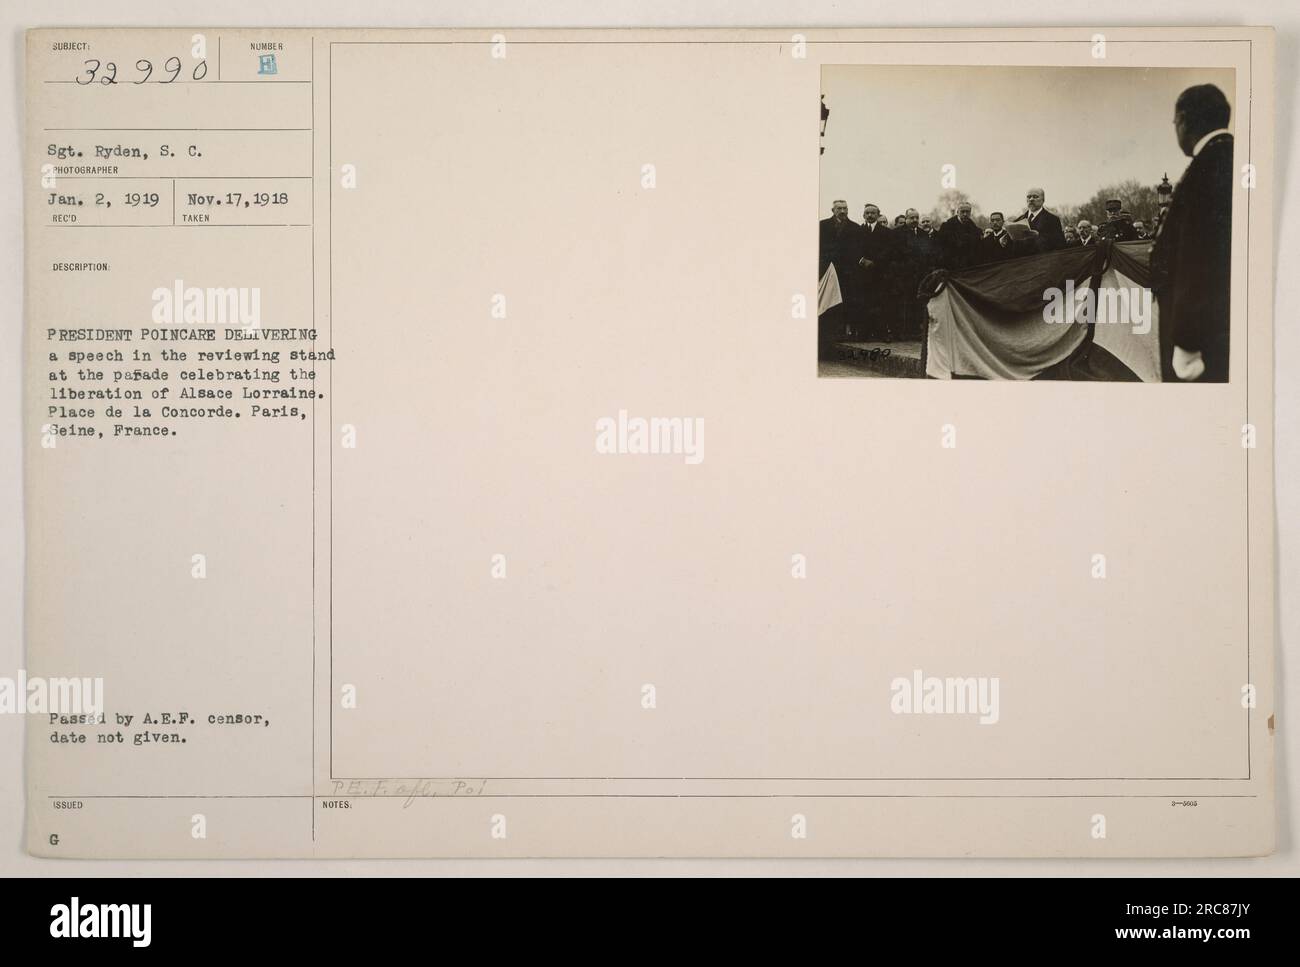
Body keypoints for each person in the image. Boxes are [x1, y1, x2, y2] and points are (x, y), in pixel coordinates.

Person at [1151, 83, 1233, 382]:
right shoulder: (1227, 159)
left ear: (1184, 120)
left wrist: (1187, 341)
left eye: (1175, 123)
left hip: (1199, 341)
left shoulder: (1206, 168)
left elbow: (1198, 258)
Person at [818, 199, 863, 350]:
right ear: (833, 210)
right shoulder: (822, 226)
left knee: (844, 301)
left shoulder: (855, 228)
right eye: (839, 209)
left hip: (847, 272)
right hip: (827, 270)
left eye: (845, 208)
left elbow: (857, 251)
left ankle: (841, 332)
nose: (843, 211)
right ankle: (826, 335)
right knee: (827, 302)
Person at [858, 203, 897, 341]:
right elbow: (853, 248)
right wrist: (861, 259)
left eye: (873, 213)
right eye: (867, 213)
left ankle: (882, 333)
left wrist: (874, 261)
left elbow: (889, 250)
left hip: (880, 273)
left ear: (878, 215)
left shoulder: (887, 232)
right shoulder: (858, 231)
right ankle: (865, 333)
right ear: (863, 215)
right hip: (863, 273)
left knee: (881, 303)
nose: (870, 215)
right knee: (865, 302)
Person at [1009, 187, 1065, 252]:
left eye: (1035, 197)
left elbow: (1060, 244)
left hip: (1042, 259)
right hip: (1022, 260)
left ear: (1043, 200)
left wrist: (1038, 236)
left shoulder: (1053, 220)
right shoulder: (1017, 221)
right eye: (1028, 197)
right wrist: (1007, 239)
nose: (1031, 199)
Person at [938, 201, 983, 270]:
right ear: (957, 212)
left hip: (969, 267)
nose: (965, 214)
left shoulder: (974, 229)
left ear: (970, 213)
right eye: (962, 211)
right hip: (951, 267)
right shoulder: (947, 226)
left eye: (967, 212)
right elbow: (941, 247)